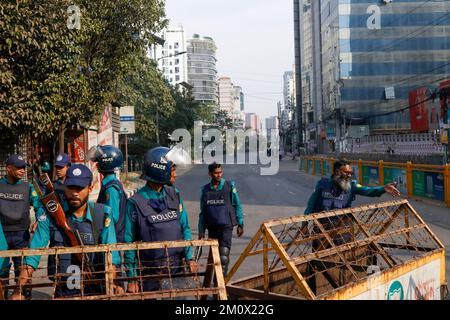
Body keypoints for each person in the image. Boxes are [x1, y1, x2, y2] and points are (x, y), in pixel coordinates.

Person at [9, 164, 123, 299]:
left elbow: (112, 255)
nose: (74, 193)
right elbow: (34, 252)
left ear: (90, 188)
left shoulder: (102, 214)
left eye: (80, 188)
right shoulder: (52, 213)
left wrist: (114, 282)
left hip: (97, 290)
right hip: (64, 292)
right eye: (70, 187)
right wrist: (19, 289)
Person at [124, 147, 197, 294]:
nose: (175, 174)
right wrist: (132, 277)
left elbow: (185, 228)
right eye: (172, 170)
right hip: (149, 273)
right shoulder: (135, 202)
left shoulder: (174, 195)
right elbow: (129, 241)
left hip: (176, 268)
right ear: (160, 170)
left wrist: (190, 257)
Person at [304, 159, 400, 246]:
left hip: (342, 231)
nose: (349, 175)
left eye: (350, 173)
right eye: (346, 172)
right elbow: (311, 205)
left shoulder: (352, 186)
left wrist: (383, 189)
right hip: (321, 230)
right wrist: (304, 225)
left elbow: (368, 190)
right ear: (337, 171)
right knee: (319, 260)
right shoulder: (322, 184)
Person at [0, 155, 45, 299]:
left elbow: (39, 206)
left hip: (22, 236)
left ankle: (24, 296)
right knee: (1, 273)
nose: (22, 170)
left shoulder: (28, 187)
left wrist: (38, 220)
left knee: (24, 271)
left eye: (24, 167)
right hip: (2, 235)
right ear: (8, 168)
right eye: (18, 167)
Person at [198, 162, 244, 276]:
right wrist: (201, 230)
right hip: (212, 228)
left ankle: (220, 286)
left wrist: (240, 223)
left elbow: (237, 205)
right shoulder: (205, 190)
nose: (219, 175)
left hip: (226, 227)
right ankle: (212, 286)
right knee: (214, 257)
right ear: (210, 174)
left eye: (220, 172)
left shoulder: (229, 186)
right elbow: (203, 212)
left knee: (223, 256)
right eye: (216, 173)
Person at [91, 145, 126, 244]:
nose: (97, 165)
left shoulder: (111, 189)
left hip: (111, 239)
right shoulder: (110, 183)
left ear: (107, 163)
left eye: (99, 162)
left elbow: (111, 217)